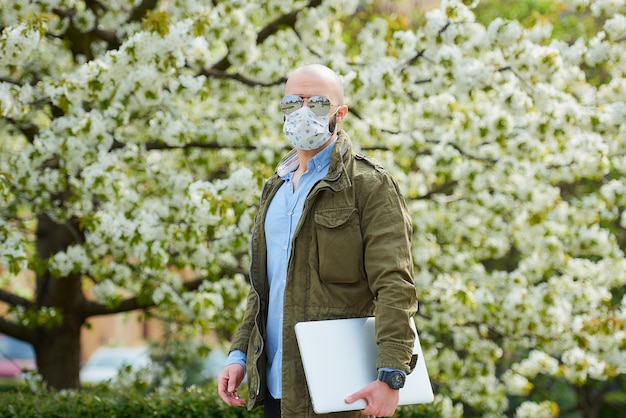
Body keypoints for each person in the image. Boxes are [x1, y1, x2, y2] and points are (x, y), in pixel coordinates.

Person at [217, 64, 418, 418]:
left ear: (339, 113)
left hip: (339, 393)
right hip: (277, 389)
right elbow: (263, 288)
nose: (304, 111)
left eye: (318, 103)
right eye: (294, 102)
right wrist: (239, 355)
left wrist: (391, 375)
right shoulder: (275, 189)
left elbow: (395, 284)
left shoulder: (369, 186)